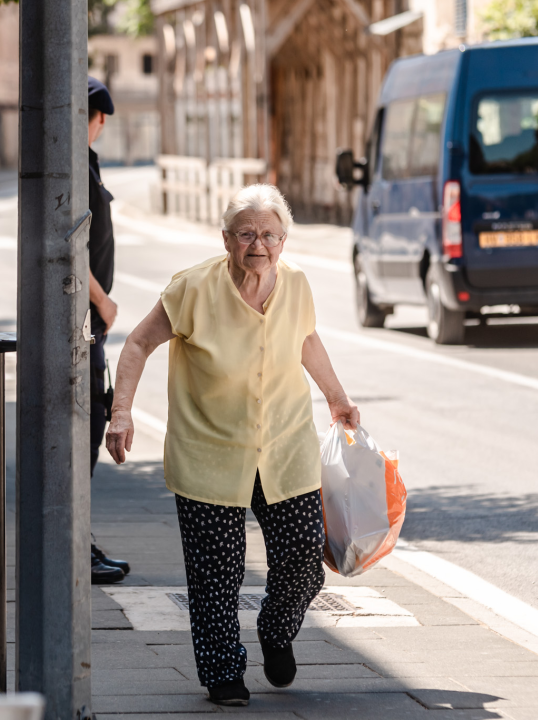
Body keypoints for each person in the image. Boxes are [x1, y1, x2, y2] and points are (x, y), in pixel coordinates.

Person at [105, 184, 360, 706]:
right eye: (247, 234)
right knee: (217, 574)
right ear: (226, 239)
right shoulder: (192, 288)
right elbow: (137, 342)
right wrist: (121, 410)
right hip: (210, 450)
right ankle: (224, 672)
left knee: (304, 559)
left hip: (285, 446)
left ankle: (275, 628)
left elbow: (306, 339)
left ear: (284, 241)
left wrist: (336, 397)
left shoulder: (297, 285)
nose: (258, 245)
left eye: (269, 234)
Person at [86, 76, 129, 586]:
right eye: (99, 119)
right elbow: (67, 239)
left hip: (90, 323)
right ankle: (74, 543)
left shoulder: (87, 164)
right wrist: (102, 301)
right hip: (84, 320)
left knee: (89, 428)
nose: (101, 128)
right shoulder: (73, 164)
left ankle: (78, 539)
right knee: (84, 432)